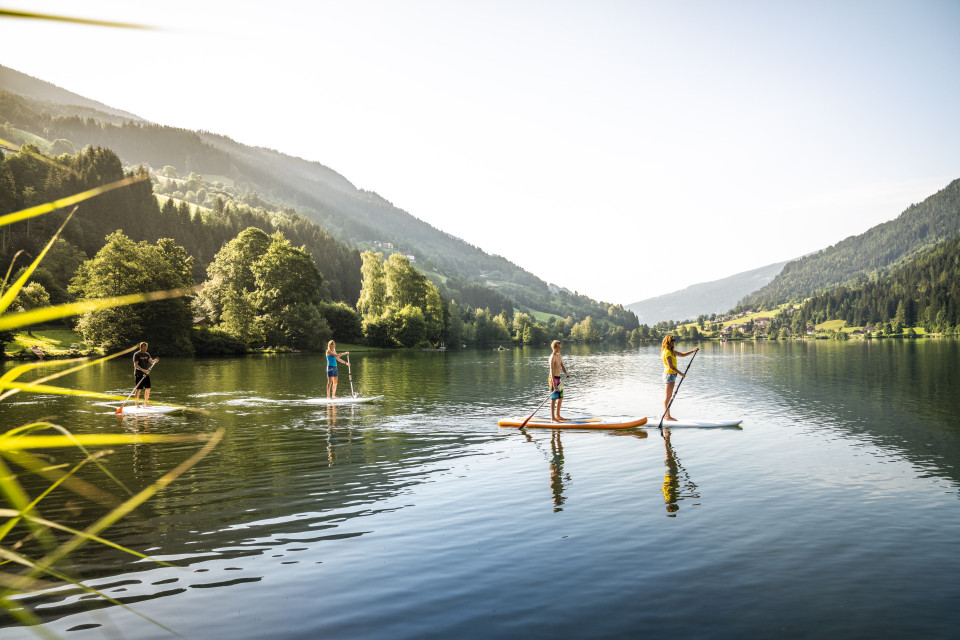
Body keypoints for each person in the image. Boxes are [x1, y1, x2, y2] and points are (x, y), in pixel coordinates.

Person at [661, 335, 697, 421]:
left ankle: (667, 415)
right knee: (668, 397)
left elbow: (681, 354)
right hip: (669, 375)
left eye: (674, 340)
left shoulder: (671, 351)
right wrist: (681, 374)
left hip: (673, 375)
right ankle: (667, 416)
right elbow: (671, 367)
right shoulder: (667, 352)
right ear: (668, 342)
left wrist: (692, 351)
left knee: (669, 396)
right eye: (672, 340)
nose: (674, 342)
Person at [549, 339, 569, 422]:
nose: (560, 349)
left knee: (560, 398)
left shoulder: (559, 355)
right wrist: (554, 384)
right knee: (554, 398)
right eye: (559, 347)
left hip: (558, 378)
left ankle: (557, 415)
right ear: (554, 348)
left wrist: (566, 373)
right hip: (553, 379)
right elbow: (551, 371)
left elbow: (562, 365)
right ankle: (552, 418)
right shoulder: (552, 357)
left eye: (560, 347)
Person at [132, 342, 158, 407]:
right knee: (139, 389)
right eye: (144, 348)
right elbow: (136, 365)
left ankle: (145, 403)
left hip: (146, 374)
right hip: (138, 374)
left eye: (146, 348)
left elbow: (151, 361)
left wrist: (155, 361)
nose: (145, 349)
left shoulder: (147, 354)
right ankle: (136, 404)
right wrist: (144, 371)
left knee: (148, 388)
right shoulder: (137, 354)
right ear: (140, 347)